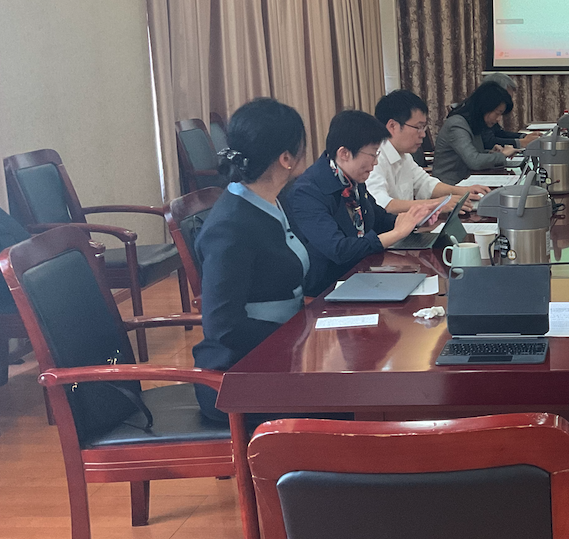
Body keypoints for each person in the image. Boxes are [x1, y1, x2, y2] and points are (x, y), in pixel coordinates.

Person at [191, 98, 312, 422]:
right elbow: (223, 326)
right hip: (237, 375)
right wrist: (299, 334)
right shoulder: (230, 225)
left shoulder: (273, 200)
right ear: (286, 158)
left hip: (278, 353)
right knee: (345, 401)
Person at [287, 110, 438, 297]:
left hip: (363, 273)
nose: (375, 163)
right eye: (372, 154)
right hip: (327, 290)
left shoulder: (351, 179)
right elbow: (339, 250)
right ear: (344, 153)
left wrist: (414, 220)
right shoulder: (307, 192)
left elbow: (379, 219)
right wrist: (397, 233)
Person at [367, 89, 489, 215]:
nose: (423, 134)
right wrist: (437, 204)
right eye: (418, 127)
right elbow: (381, 204)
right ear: (393, 126)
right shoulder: (374, 159)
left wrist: (463, 191)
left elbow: (426, 184)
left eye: (423, 127)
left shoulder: (404, 155)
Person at [432, 82, 517, 185]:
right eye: (497, 113)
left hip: (468, 181)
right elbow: (474, 161)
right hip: (450, 185)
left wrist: (491, 154)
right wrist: (502, 155)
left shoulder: (474, 122)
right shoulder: (457, 125)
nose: (499, 119)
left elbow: (474, 154)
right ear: (485, 107)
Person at [479, 73, 539, 150]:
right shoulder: (479, 110)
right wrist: (521, 142)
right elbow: (488, 142)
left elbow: (498, 133)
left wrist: (523, 137)